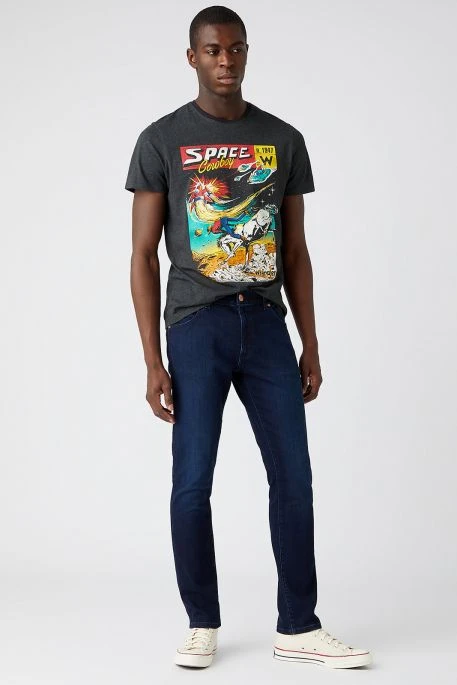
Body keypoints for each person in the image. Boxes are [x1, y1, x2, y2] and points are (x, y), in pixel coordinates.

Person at [124, 4, 373, 671]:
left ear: (246, 52)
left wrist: (310, 342)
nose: (225, 60)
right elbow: (142, 255)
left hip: (265, 323)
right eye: (212, 50)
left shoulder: (281, 139)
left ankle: (298, 624)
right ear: (192, 58)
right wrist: (151, 358)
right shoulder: (162, 139)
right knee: (191, 480)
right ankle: (201, 621)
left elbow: (295, 250)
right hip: (195, 325)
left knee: (294, 475)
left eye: (235, 48)